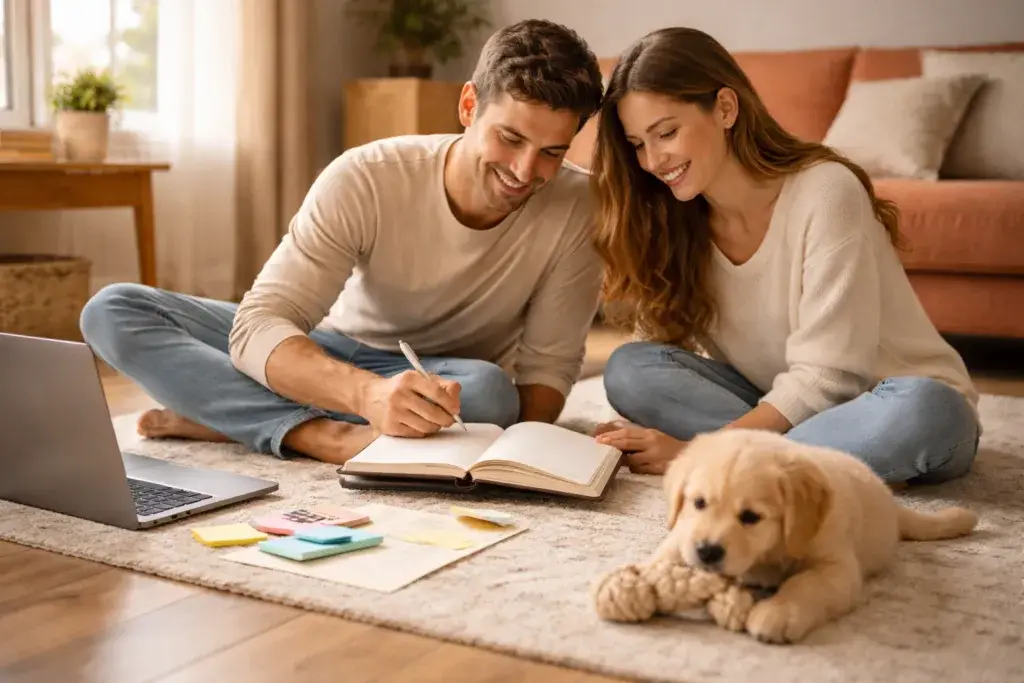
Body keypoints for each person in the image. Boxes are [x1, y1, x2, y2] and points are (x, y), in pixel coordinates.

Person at [80, 19, 606, 465]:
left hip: (445, 380)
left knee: (492, 394)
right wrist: (368, 395)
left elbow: (546, 371)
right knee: (112, 310)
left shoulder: (578, 205)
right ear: (468, 105)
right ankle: (324, 435)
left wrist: (515, 453)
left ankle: (229, 416)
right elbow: (260, 324)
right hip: (333, 353)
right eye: (510, 139)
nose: (524, 170)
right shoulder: (368, 175)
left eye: (551, 153)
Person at [589, 27, 980, 484]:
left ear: (725, 108)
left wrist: (701, 451)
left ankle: (731, 461)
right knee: (630, 368)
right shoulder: (676, 217)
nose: (653, 161)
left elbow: (831, 378)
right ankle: (777, 457)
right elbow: (661, 348)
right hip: (780, 403)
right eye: (638, 144)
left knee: (927, 411)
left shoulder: (825, 190)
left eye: (667, 133)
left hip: (886, 404)